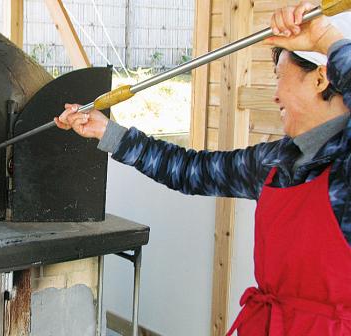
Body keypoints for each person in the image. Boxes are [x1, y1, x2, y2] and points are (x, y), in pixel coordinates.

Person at [55, 2, 351, 335]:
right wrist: (106, 131)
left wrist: (326, 38)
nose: (275, 96)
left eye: (279, 78)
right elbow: (190, 170)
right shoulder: (279, 163)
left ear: (321, 79)